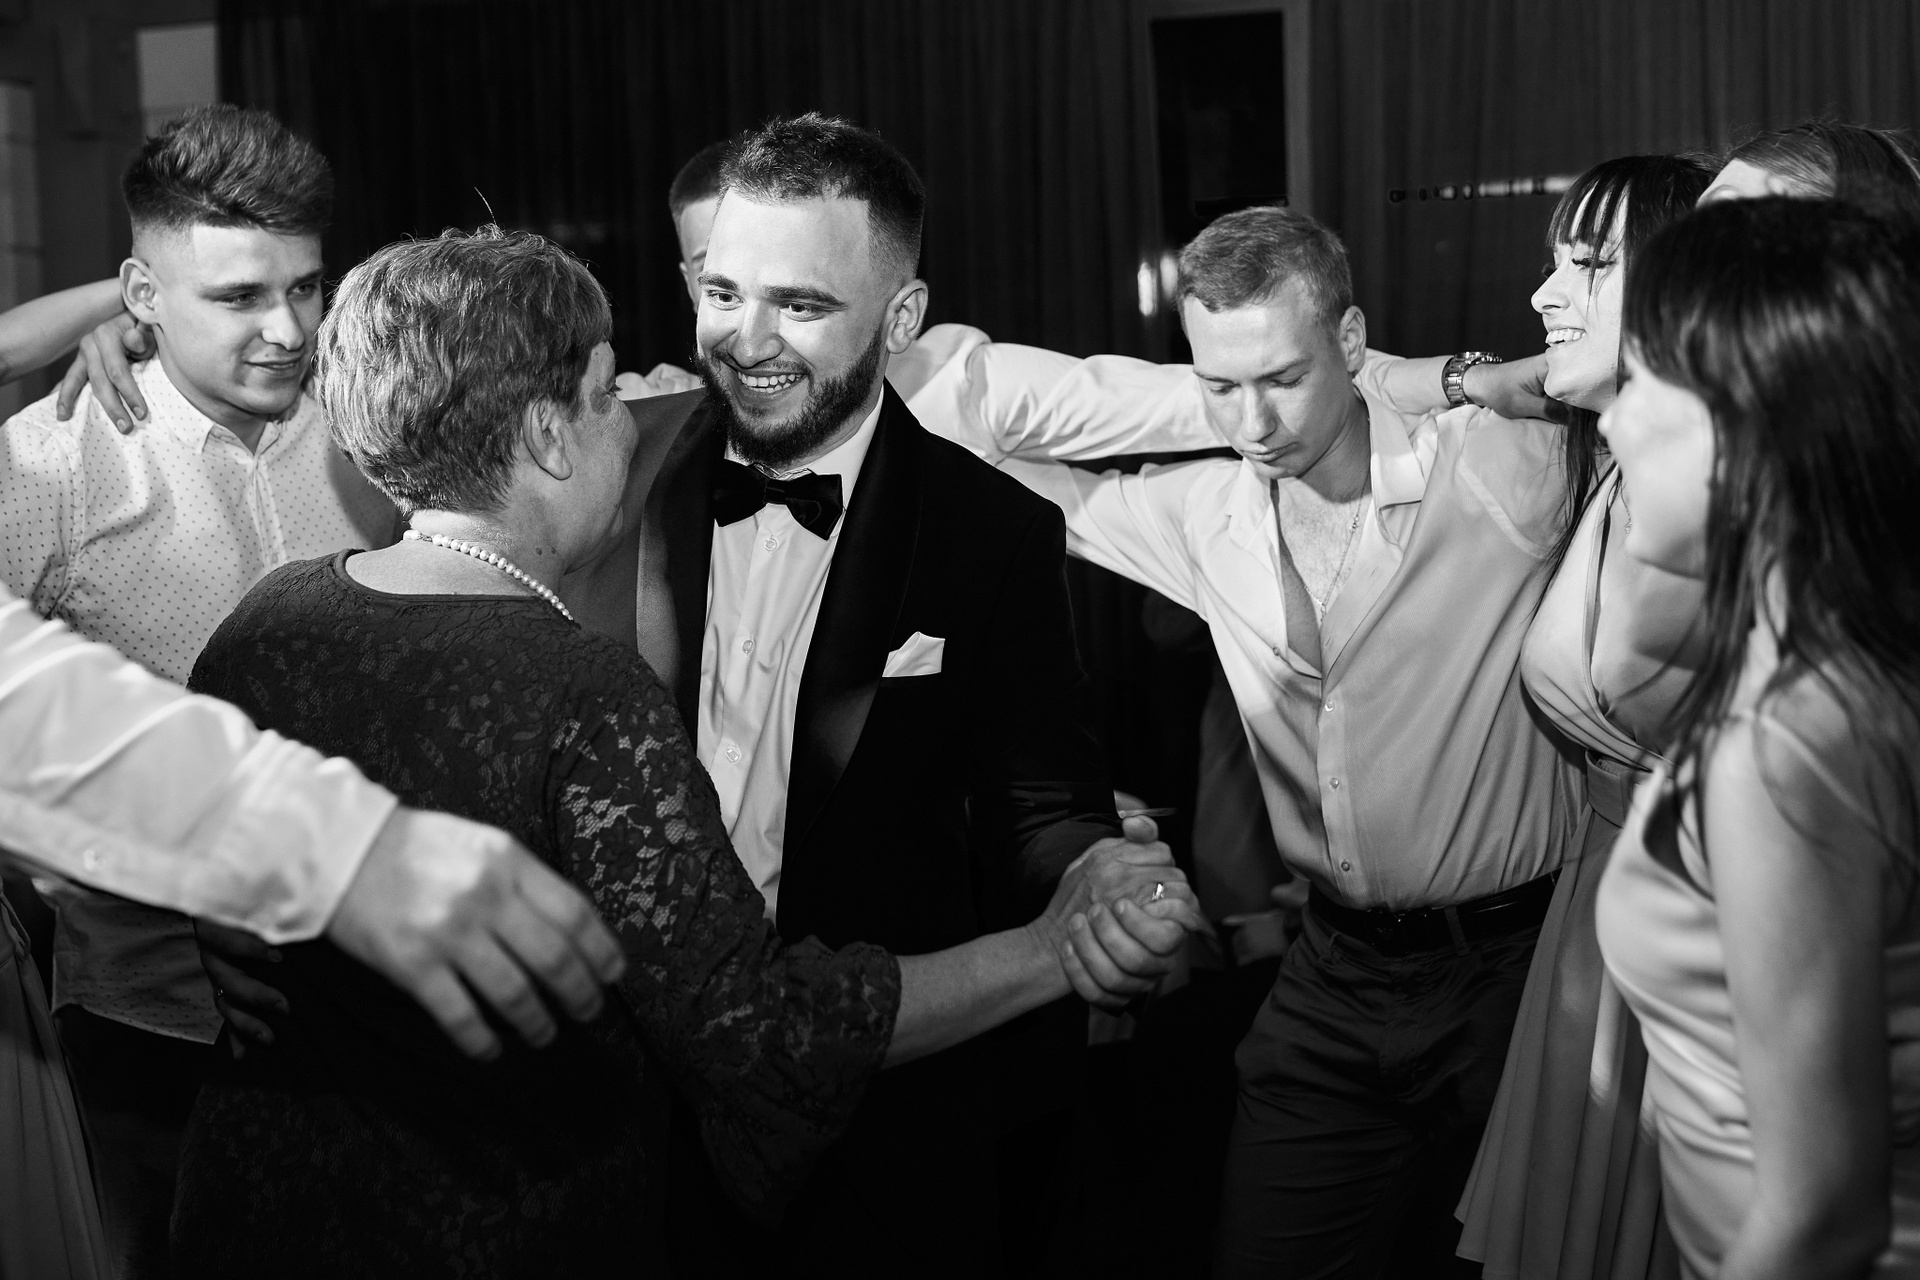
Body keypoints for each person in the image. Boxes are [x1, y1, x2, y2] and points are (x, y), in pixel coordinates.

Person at [169, 222, 1196, 1276]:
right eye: (607, 393)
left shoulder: (269, 620)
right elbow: (757, 1031)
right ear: (549, 437)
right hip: (493, 1228)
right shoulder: (582, 693)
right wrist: (1051, 946)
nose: (632, 422)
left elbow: (197, 846)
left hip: (250, 1209)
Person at [906, 203, 1578, 1276]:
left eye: (1284, 378)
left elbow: (1639, 391)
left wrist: (1438, 384)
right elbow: (957, 424)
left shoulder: (1497, 467)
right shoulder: (1200, 510)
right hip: (1329, 980)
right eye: (1221, 386)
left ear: (1352, 339)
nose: (1254, 422)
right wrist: (1204, 395)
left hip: (1518, 975)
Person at [562, 113, 1132, 1276]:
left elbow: (1039, 798)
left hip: (878, 1115)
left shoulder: (989, 531)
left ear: (901, 317)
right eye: (724, 293)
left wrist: (1097, 877)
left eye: (802, 305)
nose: (747, 340)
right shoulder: (607, 472)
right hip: (631, 1101)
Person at [0, 103, 402, 1276]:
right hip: (150, 1035)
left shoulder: (379, 438)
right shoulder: (48, 465)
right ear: (142, 293)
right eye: (236, 297)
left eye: (306, 286)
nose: (288, 330)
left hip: (380, 1018)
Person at [1596, 196, 1920, 1280]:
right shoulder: (1834, 658)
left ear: (1748, 426)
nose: (1609, 421)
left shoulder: (1785, 749)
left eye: (1638, 381)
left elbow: (1823, 1220)